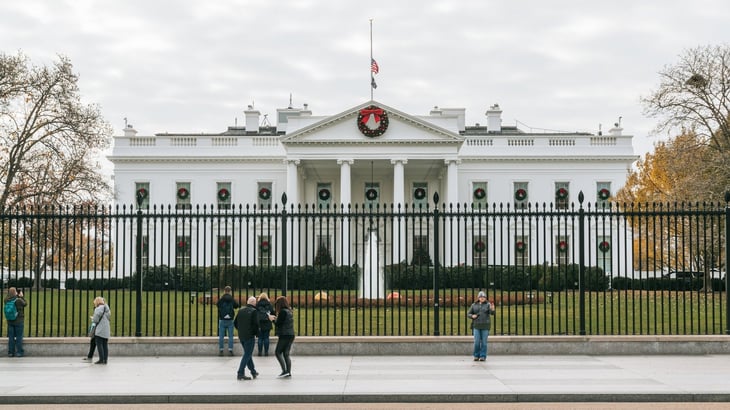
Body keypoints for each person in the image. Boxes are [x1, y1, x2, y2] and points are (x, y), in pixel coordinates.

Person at [234, 296, 259, 380]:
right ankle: (240, 373)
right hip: (249, 336)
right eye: (255, 302)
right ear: (253, 303)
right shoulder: (254, 311)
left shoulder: (240, 310)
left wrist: (240, 330)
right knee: (247, 354)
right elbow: (256, 325)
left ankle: (253, 371)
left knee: (247, 354)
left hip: (241, 335)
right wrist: (256, 333)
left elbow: (235, 323)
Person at [467, 291, 495, 362]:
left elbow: (492, 313)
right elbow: (468, 314)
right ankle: (476, 355)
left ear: (485, 298)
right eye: (481, 297)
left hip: (485, 326)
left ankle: (483, 356)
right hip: (476, 325)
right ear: (478, 298)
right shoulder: (474, 305)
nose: (482, 298)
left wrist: (492, 309)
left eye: (483, 297)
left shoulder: (488, 305)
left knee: (484, 342)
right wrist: (472, 316)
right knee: (476, 341)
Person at [273, 295, 295, 378]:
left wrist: (273, 320)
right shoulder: (289, 311)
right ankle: (288, 372)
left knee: (277, 352)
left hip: (284, 335)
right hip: (291, 334)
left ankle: (284, 371)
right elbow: (283, 321)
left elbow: (279, 324)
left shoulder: (282, 312)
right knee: (286, 354)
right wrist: (276, 318)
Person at [216, 286, 240, 356]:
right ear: (230, 291)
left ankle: (221, 350)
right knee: (230, 336)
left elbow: (218, 305)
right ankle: (230, 349)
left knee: (221, 336)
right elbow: (236, 306)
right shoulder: (231, 299)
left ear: (224, 291)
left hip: (222, 319)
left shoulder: (221, 299)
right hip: (230, 319)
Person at [4, 287, 27, 358]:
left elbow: (9, 297)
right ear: (15, 293)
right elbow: (25, 304)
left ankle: (10, 352)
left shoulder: (6, 300)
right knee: (19, 337)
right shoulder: (19, 300)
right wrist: (21, 296)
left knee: (11, 337)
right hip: (19, 321)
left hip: (10, 321)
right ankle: (19, 352)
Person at [91, 296, 111, 364]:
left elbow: (95, 320)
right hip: (106, 329)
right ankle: (105, 360)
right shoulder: (107, 309)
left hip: (100, 329)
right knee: (105, 345)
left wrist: (92, 319)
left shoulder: (98, 309)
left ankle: (101, 359)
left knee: (99, 344)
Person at [256, 292, 273, 356]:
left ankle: (259, 352)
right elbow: (272, 312)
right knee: (266, 338)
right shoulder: (269, 304)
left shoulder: (257, 305)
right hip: (267, 322)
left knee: (260, 338)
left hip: (259, 323)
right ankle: (266, 352)